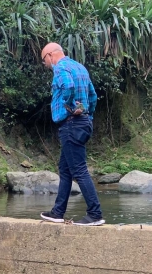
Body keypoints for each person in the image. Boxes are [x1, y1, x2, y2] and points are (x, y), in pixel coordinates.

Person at [39, 42, 105, 226]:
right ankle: (58, 212)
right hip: (82, 123)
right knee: (66, 170)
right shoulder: (79, 67)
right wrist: (88, 115)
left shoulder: (60, 68)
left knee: (79, 170)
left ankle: (95, 214)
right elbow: (92, 95)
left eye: (44, 60)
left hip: (71, 124)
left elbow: (68, 87)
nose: (45, 65)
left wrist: (70, 106)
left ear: (50, 55)